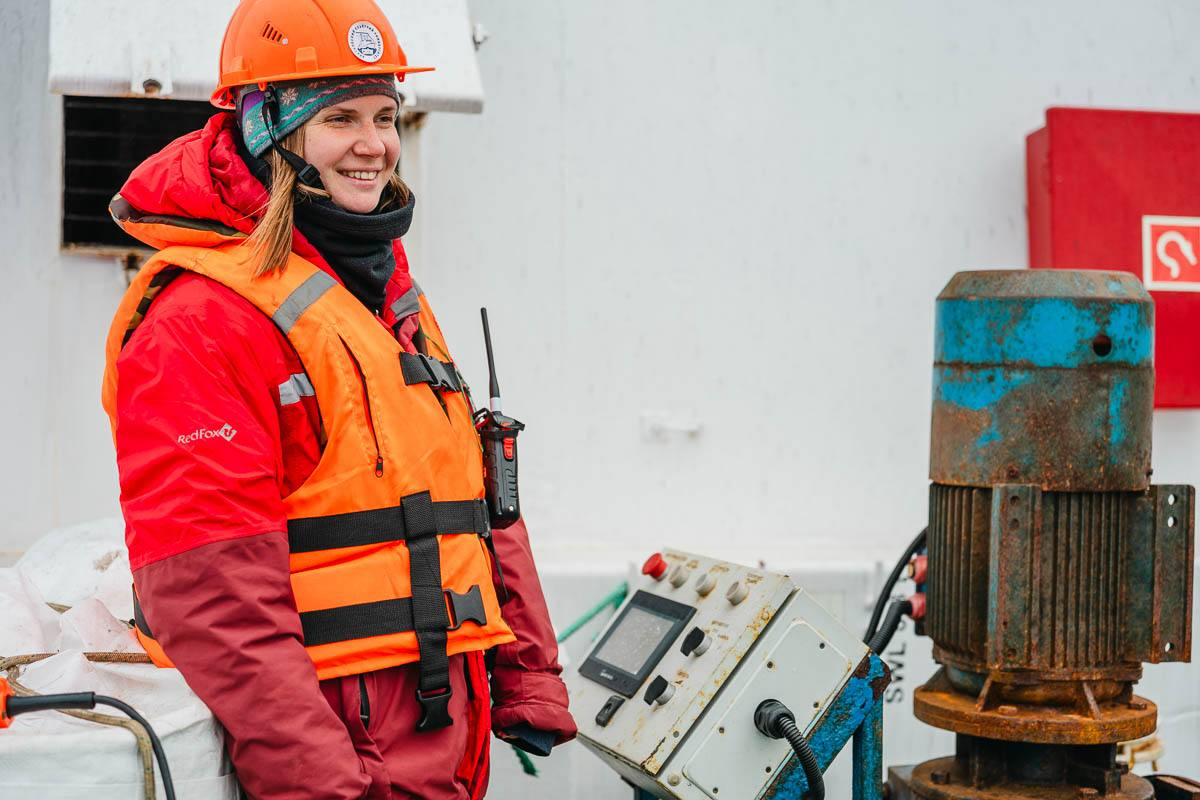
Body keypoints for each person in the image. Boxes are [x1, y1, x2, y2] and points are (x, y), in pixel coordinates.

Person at [99, 0, 576, 797]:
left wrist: (528, 674)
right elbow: (215, 600)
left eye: (385, 115)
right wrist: (323, 785)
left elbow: (473, 498)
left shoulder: (382, 293)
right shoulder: (199, 322)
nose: (375, 144)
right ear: (266, 128)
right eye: (339, 117)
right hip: (345, 753)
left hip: (438, 735)